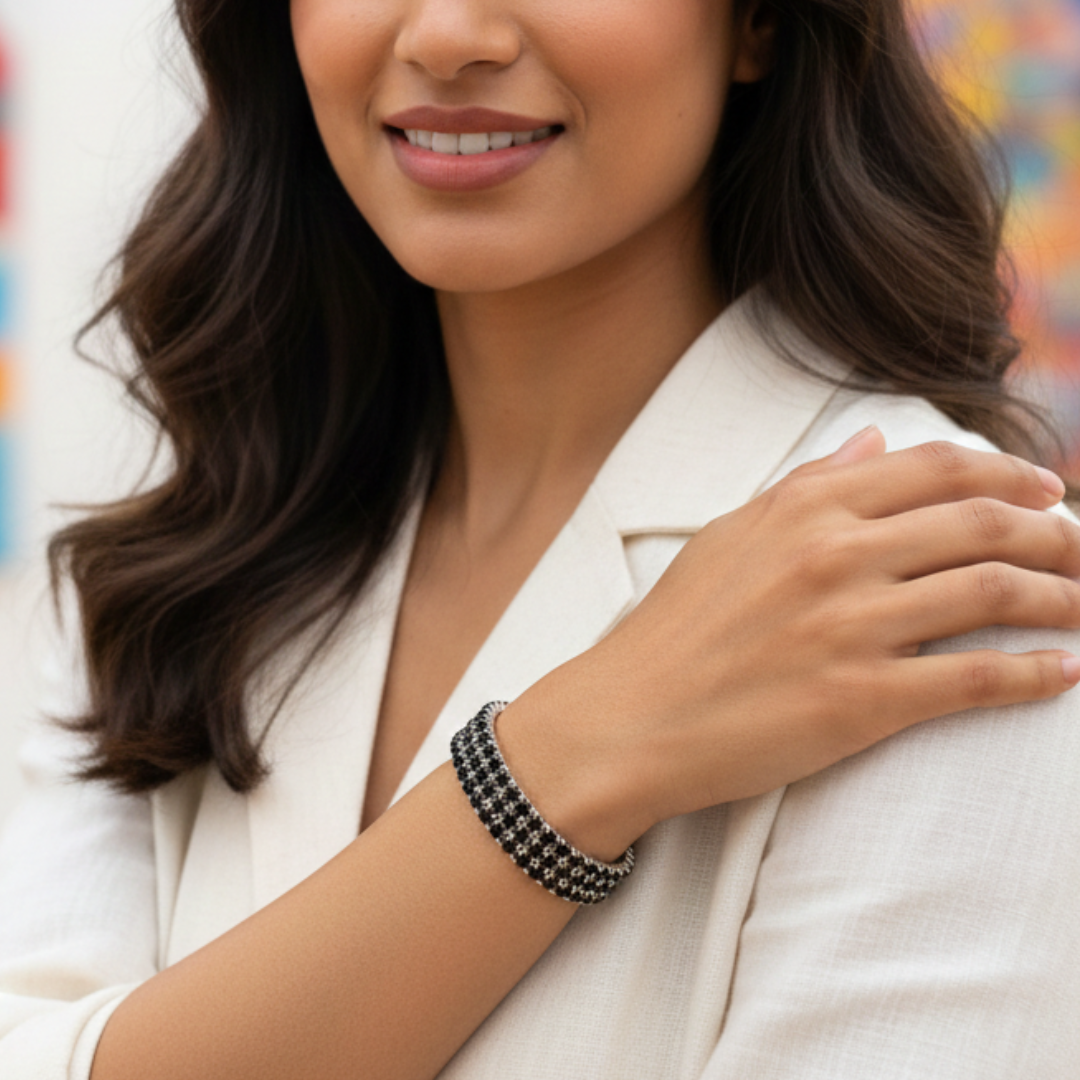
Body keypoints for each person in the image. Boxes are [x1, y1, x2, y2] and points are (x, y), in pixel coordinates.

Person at [2, 0, 1080, 1076]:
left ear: (757, 23)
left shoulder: (944, 591)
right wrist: (566, 759)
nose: (444, 36)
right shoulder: (168, 578)